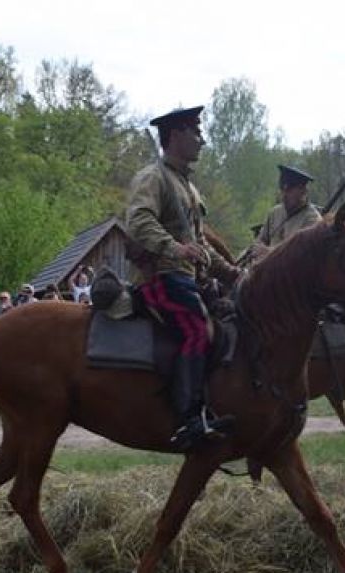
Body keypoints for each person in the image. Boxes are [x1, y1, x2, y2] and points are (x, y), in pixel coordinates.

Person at [124, 104, 239, 451]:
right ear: (175, 136)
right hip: (160, 277)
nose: (202, 140)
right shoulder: (152, 177)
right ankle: (189, 419)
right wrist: (175, 249)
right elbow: (139, 221)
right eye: (196, 132)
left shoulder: (188, 187)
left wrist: (233, 273)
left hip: (186, 278)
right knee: (196, 329)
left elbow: (200, 243)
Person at [250, 165, 322, 260]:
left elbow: (303, 255)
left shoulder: (313, 220)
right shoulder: (274, 213)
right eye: (282, 190)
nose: (284, 195)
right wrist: (257, 249)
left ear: (303, 191)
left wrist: (270, 252)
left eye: (290, 190)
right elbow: (261, 240)